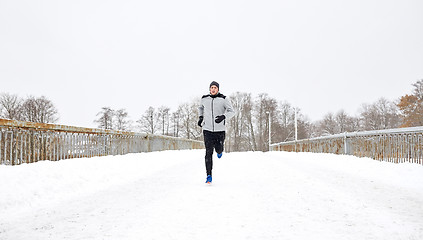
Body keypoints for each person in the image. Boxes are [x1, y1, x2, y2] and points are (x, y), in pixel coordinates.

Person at [198, 81, 235, 184]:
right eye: (212, 87)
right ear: (209, 89)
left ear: (218, 89)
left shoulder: (223, 99)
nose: (213, 89)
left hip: (219, 130)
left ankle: (219, 151)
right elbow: (200, 107)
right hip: (207, 130)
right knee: (208, 152)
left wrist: (224, 117)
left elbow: (232, 111)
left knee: (218, 149)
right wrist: (201, 117)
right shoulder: (204, 99)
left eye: (215, 87)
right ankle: (208, 175)